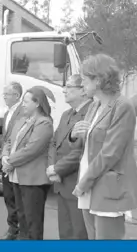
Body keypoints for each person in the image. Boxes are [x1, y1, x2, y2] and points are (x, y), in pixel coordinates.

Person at [70, 54, 137, 240]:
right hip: (89, 181)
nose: (82, 84)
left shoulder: (123, 106)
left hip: (107, 186)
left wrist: (84, 182)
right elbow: (87, 143)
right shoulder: (95, 106)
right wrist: (75, 135)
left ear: (99, 80)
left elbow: (111, 153)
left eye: (85, 79)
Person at [1, 87, 54, 240]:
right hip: (17, 176)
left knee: (33, 221)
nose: (22, 104)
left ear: (37, 103)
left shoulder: (44, 123)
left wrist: (10, 161)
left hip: (33, 179)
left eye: (26, 101)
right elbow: (9, 141)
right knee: (22, 218)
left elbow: (32, 149)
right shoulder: (22, 120)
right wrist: (5, 156)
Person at [46, 75, 92, 240]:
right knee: (65, 231)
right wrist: (52, 167)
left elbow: (83, 150)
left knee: (79, 232)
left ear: (83, 91)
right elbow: (54, 142)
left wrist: (58, 168)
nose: (64, 90)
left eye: (69, 87)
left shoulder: (91, 113)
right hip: (60, 182)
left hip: (75, 180)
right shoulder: (66, 114)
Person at [0, 81, 27, 240]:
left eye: (7, 94)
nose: (4, 97)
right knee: (8, 196)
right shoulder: (8, 113)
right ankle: (12, 229)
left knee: (18, 198)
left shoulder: (23, 111)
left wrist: (11, 160)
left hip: (16, 161)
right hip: (6, 158)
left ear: (16, 95)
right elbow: (6, 137)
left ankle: (20, 231)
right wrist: (2, 155)